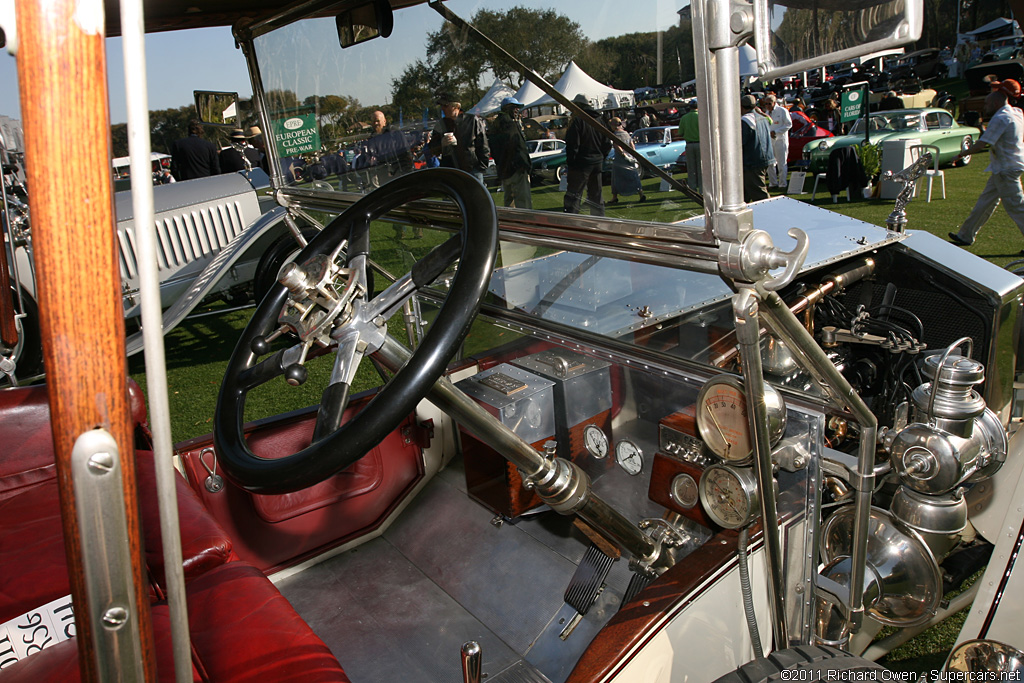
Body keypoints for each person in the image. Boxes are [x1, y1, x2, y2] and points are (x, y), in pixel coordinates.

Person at [948, 79, 1024, 249]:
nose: (986, 105)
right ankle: (965, 235)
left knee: (1018, 207)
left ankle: (966, 235)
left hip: (1006, 169)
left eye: (988, 102)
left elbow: (982, 144)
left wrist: (961, 154)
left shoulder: (1001, 118)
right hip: (1004, 168)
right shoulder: (1017, 112)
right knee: (985, 203)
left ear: (997, 102)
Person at [563, 94, 612, 216]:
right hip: (596, 163)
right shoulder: (599, 120)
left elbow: (573, 144)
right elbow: (607, 143)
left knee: (574, 196)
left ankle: (571, 224)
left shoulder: (578, 120)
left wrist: (571, 163)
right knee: (596, 197)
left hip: (581, 164)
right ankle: (599, 224)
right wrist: (600, 158)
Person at [428, 96, 490, 184]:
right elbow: (432, 149)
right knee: (452, 197)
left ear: (456, 106)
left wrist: (480, 167)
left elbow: (483, 145)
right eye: (441, 106)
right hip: (450, 171)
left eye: (445, 106)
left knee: (474, 196)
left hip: (472, 169)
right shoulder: (441, 125)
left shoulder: (472, 120)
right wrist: (441, 144)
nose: (442, 109)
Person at [488, 97, 532, 209]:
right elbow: (518, 146)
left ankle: (511, 224)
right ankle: (526, 224)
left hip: (504, 170)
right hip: (516, 168)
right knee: (523, 201)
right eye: (515, 107)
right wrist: (525, 165)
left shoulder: (495, 126)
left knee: (509, 201)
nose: (517, 110)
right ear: (508, 108)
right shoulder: (511, 125)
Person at [364, 110, 413, 189]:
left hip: (399, 173)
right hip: (383, 177)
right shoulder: (372, 138)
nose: (375, 124)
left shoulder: (394, 133)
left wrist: (407, 174)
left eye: (377, 121)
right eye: (373, 121)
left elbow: (406, 153)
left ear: (384, 121)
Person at [740, 94, 773, 203]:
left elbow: (741, 142)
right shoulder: (762, 118)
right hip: (764, 157)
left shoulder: (745, 120)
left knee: (759, 194)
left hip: (752, 161)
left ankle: (770, 216)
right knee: (745, 193)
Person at [608, 117, 644, 204]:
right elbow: (632, 144)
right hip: (630, 158)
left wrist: (624, 155)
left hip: (621, 160)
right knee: (634, 176)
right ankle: (641, 194)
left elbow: (617, 147)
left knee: (616, 178)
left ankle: (614, 197)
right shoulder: (626, 133)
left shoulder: (615, 135)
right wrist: (633, 155)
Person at [764, 93, 792, 189]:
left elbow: (788, 124)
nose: (767, 106)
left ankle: (782, 183)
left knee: (781, 163)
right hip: (770, 140)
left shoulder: (782, 111)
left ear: (774, 103)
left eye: (769, 104)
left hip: (781, 140)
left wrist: (776, 132)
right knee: (770, 163)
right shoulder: (766, 113)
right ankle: (773, 183)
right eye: (766, 104)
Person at [678, 101, 701, 194]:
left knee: (691, 168)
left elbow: (680, 132)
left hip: (689, 144)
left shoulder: (684, 118)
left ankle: (692, 188)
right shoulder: (700, 116)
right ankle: (703, 190)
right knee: (701, 168)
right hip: (700, 143)